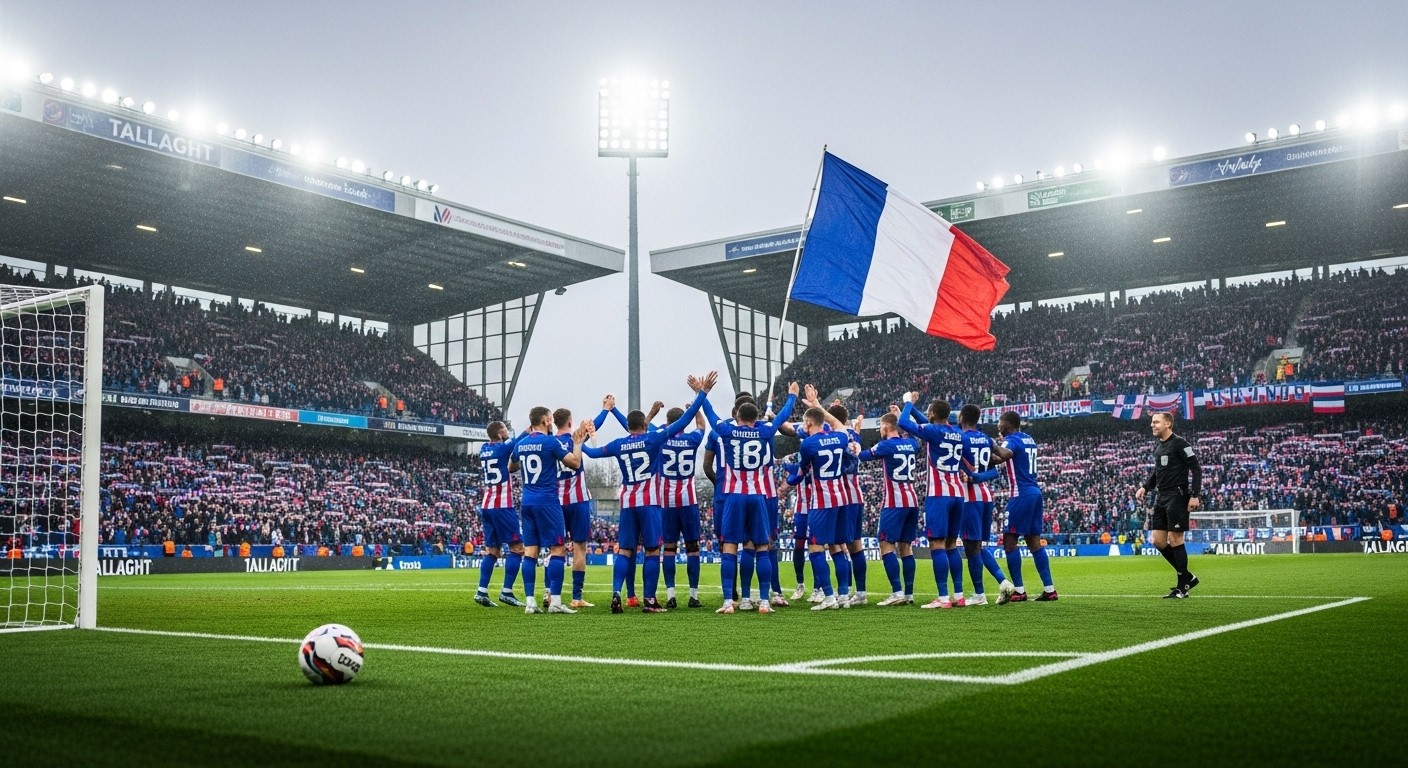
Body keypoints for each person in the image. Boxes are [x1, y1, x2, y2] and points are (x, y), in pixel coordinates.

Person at [582, 374, 715, 613]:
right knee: (654, 550)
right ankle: (651, 600)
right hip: (654, 501)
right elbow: (689, 421)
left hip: (628, 502)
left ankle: (616, 593)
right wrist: (701, 394)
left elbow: (592, 454)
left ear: (629, 426)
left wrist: (579, 441)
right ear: (644, 425)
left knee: (625, 550)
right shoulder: (655, 439)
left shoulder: (619, 443)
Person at [700, 380, 798, 614]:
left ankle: (732, 601)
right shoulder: (764, 431)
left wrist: (702, 393)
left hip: (734, 496)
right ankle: (764, 601)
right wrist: (792, 397)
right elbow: (781, 418)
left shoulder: (727, 431)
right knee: (761, 546)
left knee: (730, 547)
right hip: (758, 495)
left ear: (737, 416)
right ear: (755, 418)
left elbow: (710, 415)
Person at [511, 406, 589, 614]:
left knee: (530, 551)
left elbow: (511, 467)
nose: (552, 422)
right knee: (557, 549)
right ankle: (555, 602)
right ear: (545, 421)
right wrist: (578, 444)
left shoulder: (521, 443)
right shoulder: (550, 442)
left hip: (527, 502)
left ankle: (530, 602)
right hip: (547, 501)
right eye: (550, 419)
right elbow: (574, 463)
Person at [897, 392, 968, 608]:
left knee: (937, 544)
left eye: (929, 412)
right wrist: (916, 409)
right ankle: (959, 596)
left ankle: (943, 598)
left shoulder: (933, 431)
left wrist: (908, 403)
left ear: (934, 414)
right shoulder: (957, 432)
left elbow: (903, 422)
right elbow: (926, 422)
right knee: (951, 545)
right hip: (958, 494)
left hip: (939, 494)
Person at [787, 405, 852, 610]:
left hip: (822, 501)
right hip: (842, 499)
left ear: (808, 423)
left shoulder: (808, 444)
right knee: (837, 546)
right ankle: (843, 596)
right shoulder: (840, 437)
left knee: (815, 548)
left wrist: (787, 480)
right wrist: (819, 407)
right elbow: (841, 426)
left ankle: (829, 596)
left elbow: (801, 473)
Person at [989, 411, 1058, 602]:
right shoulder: (1029, 439)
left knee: (1009, 542)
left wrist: (989, 444)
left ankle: (1019, 591)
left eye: (1000, 423)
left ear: (1009, 424)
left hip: (1021, 494)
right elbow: (1003, 458)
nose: (998, 426)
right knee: (1034, 541)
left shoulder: (1011, 440)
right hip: (1035, 492)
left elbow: (1003, 454)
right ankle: (1050, 589)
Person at [1136, 411, 1203, 598]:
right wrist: (1145, 487)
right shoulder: (1159, 447)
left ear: (1168, 424)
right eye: (1152, 422)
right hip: (1161, 497)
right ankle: (1188, 577)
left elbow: (1196, 468)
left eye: (1156, 422)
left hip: (1177, 496)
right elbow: (1157, 473)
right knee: (1158, 541)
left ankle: (1183, 586)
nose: (1152, 425)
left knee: (1175, 539)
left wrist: (1195, 495)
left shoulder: (1180, 443)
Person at [858, 409, 921, 606]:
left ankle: (897, 592)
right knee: (906, 547)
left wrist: (856, 437)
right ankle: (909, 594)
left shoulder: (885, 445)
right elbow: (914, 439)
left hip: (894, 502)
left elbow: (862, 456)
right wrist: (902, 418)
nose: (879, 430)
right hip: (912, 501)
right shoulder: (911, 444)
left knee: (886, 545)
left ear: (886, 426)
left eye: (881, 427)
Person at [956, 404, 1016, 605]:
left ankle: (980, 594)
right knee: (978, 546)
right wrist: (978, 475)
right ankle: (1003, 582)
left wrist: (971, 477)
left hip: (969, 497)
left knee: (970, 547)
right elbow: (995, 469)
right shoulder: (986, 439)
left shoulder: (960, 438)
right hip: (985, 496)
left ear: (961, 418)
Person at [554, 404, 612, 609]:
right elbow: (595, 425)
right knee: (579, 547)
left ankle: (549, 593)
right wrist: (606, 409)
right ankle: (576, 597)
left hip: (556, 502)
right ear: (570, 421)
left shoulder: (549, 442)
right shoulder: (575, 438)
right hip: (578, 500)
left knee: (555, 548)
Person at [657, 402, 709, 608]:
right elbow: (702, 426)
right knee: (693, 549)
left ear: (668, 422)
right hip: (688, 501)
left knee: (669, 549)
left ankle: (670, 595)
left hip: (667, 502)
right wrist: (696, 410)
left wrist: (653, 414)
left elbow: (644, 427)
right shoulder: (692, 439)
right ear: (684, 423)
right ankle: (693, 596)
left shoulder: (660, 438)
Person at [473, 420, 527, 609]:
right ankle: (507, 591)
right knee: (517, 548)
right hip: (503, 505)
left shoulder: (484, 449)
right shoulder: (502, 449)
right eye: (505, 430)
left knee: (492, 551)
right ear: (499, 434)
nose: (507, 432)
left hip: (487, 506)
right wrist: (531, 428)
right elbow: (519, 439)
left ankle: (481, 591)